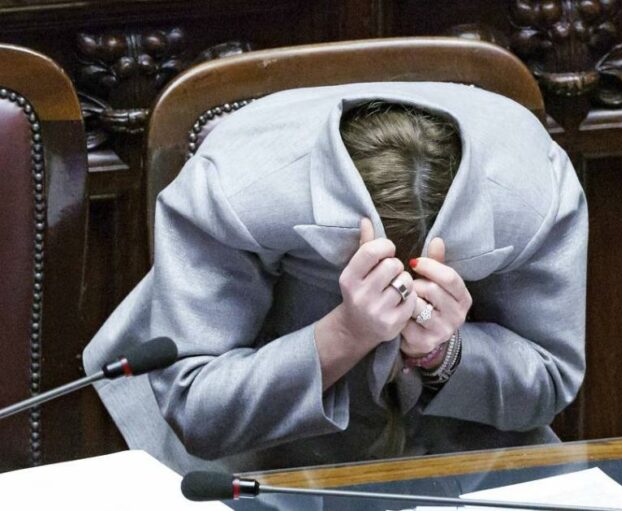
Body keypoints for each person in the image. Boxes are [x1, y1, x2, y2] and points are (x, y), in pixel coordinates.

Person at [83, 81, 588, 474]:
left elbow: (551, 381)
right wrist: (345, 333)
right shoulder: (236, 192)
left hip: (468, 457)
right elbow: (199, 409)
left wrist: (445, 353)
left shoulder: (533, 199)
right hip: (258, 464)